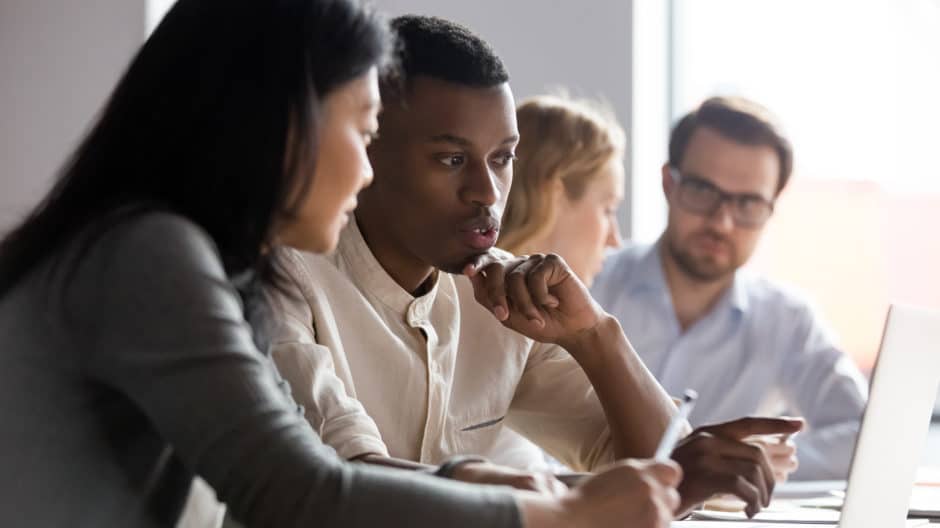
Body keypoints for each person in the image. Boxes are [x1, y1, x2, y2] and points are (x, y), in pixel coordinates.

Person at [0, 1, 686, 526]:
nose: (363, 169)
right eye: (361, 130)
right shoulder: (148, 256)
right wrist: (559, 515)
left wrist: (473, 485)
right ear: (281, 124)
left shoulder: (190, 260)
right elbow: (297, 492)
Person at [266, 15, 802, 518]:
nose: (487, 192)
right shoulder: (284, 279)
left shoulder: (506, 292)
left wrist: (595, 334)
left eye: (502, 159)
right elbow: (344, 479)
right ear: (369, 152)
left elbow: (662, 481)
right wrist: (557, 500)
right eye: (452, 160)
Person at [590, 96, 868, 480]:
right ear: (669, 184)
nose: (722, 223)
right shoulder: (592, 285)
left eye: (748, 204)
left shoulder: (787, 319)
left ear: (770, 209)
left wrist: (745, 461)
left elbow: (864, 438)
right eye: (704, 192)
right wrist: (696, 462)